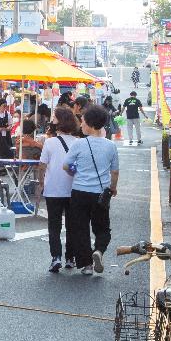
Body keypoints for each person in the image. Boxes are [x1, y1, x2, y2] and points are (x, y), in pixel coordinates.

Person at [63, 106, 119, 276]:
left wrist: (76, 170)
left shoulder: (78, 144)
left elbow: (66, 166)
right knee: (102, 228)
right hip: (101, 193)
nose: (81, 124)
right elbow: (114, 171)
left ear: (89, 124)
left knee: (80, 228)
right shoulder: (110, 146)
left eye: (83, 121)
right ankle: (99, 251)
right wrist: (113, 188)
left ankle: (86, 265)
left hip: (79, 191)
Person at [37, 107, 80, 272]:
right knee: (72, 225)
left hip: (53, 189)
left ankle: (56, 258)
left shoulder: (49, 142)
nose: (52, 120)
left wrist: (41, 183)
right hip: (73, 189)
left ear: (59, 122)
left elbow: (42, 166)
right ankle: (71, 258)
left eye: (54, 118)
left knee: (54, 225)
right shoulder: (78, 143)